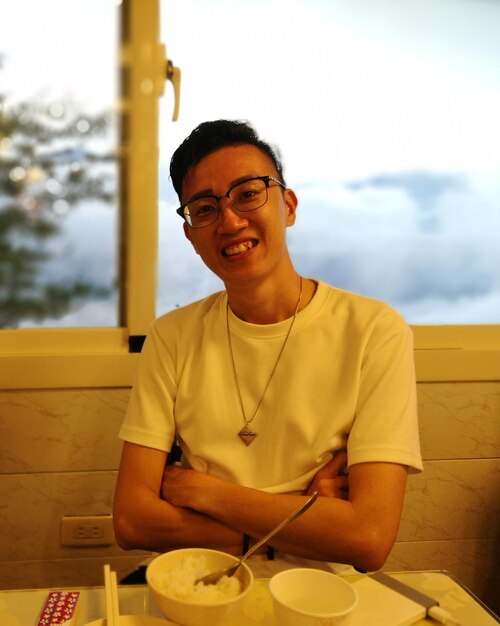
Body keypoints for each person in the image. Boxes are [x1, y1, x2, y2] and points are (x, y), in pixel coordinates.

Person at [113, 119, 422, 577]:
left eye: (247, 193)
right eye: (204, 208)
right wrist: (301, 516)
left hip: (316, 595)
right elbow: (132, 521)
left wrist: (201, 491)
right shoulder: (172, 335)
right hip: (192, 583)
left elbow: (368, 539)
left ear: (289, 205)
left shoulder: (374, 331)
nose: (230, 220)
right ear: (191, 233)